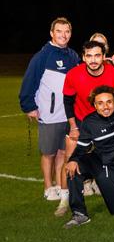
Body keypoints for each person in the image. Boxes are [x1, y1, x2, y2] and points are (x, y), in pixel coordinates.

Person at [58, 40, 114, 216]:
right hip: (81, 121)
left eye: (97, 55)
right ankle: (65, 199)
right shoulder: (74, 74)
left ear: (104, 56)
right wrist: (73, 127)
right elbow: (67, 101)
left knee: (108, 156)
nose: (93, 60)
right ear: (83, 57)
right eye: (89, 56)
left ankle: (112, 188)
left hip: (106, 120)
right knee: (71, 159)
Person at [19, 17, 80, 201]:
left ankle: (60, 185)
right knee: (48, 154)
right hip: (49, 115)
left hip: (67, 115)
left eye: (67, 31)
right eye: (59, 31)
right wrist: (29, 106)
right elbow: (28, 82)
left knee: (62, 152)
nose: (63, 35)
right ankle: (48, 187)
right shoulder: (42, 56)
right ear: (52, 33)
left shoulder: (73, 56)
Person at [62, 86, 114, 228]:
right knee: (73, 168)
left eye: (109, 102)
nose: (105, 107)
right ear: (94, 105)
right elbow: (82, 147)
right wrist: (73, 160)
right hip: (99, 161)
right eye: (100, 103)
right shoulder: (89, 122)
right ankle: (79, 214)